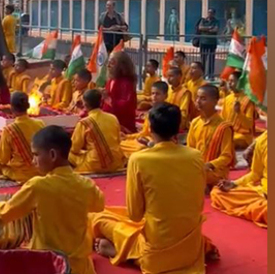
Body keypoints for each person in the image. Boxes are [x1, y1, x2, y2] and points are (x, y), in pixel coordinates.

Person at [91, 104, 219, 273]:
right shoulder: (195, 156)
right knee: (120, 214)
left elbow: (135, 215)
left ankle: (125, 253)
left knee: (98, 219)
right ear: (178, 128)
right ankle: (131, 252)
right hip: (191, 249)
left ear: (150, 128)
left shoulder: (138, 160)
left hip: (157, 249)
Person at [0, 125, 105, 274]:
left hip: (48, 265)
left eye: (36, 155)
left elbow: (6, 213)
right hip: (80, 267)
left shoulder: (37, 186)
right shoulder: (86, 185)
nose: (33, 161)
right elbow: (99, 205)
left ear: (52, 155)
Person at [0, 92, 45, 183]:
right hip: (42, 170)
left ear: (11, 108)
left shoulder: (9, 130)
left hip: (22, 174)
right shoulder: (40, 124)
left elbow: (2, 159)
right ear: (28, 106)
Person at [211, 131, 267, 228]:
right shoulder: (263, 141)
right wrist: (234, 184)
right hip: (263, 192)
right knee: (217, 192)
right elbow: (255, 173)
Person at [187, 85, 234, 189]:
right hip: (197, 167)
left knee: (197, 174)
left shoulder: (223, 127)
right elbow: (190, 149)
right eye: (197, 98)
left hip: (214, 171)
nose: (198, 101)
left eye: (203, 99)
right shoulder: (195, 123)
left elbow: (227, 157)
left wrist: (209, 165)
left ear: (215, 101)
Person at [69, 89, 125, 174]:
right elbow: (118, 141)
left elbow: (74, 148)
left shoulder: (84, 123)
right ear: (101, 102)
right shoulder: (113, 118)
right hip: (116, 162)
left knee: (67, 153)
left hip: (94, 164)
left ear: (85, 104)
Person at [120, 81, 169, 158]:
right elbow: (144, 133)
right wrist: (127, 137)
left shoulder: (168, 112)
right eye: (153, 93)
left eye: (158, 94)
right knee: (121, 143)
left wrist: (150, 143)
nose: (154, 96)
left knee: (140, 148)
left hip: (160, 144)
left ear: (165, 96)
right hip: (147, 140)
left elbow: (167, 136)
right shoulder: (150, 112)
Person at [102, 51, 137, 132]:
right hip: (108, 121)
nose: (108, 66)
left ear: (121, 66)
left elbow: (126, 106)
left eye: (112, 63)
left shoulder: (126, 83)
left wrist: (109, 99)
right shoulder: (110, 81)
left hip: (121, 124)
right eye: (108, 62)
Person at [221, 71, 256, 149]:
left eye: (232, 81)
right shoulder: (227, 98)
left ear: (240, 83)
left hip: (242, 135)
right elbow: (222, 119)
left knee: (230, 141)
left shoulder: (247, 100)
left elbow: (249, 125)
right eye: (228, 81)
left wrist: (239, 112)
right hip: (228, 132)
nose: (229, 83)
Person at [166, 67, 193, 132]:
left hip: (178, 121)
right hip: (166, 117)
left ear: (179, 77)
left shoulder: (185, 92)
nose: (168, 78)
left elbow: (183, 113)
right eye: (168, 76)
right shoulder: (167, 89)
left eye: (171, 76)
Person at [195, 9, 219, 80]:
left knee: (211, 60)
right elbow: (200, 27)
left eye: (211, 13)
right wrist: (209, 28)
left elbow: (216, 29)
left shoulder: (216, 21)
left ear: (214, 14)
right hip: (203, 42)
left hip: (212, 43)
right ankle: (203, 75)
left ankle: (211, 75)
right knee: (203, 60)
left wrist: (205, 29)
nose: (209, 14)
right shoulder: (203, 20)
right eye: (209, 12)